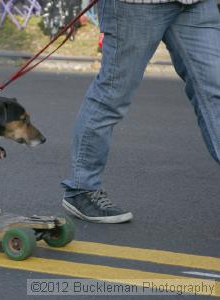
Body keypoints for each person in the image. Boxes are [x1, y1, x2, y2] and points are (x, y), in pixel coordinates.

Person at [61, 0, 220, 224]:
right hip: (135, 5)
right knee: (113, 95)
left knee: (215, 92)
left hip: (196, 4)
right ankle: (82, 188)